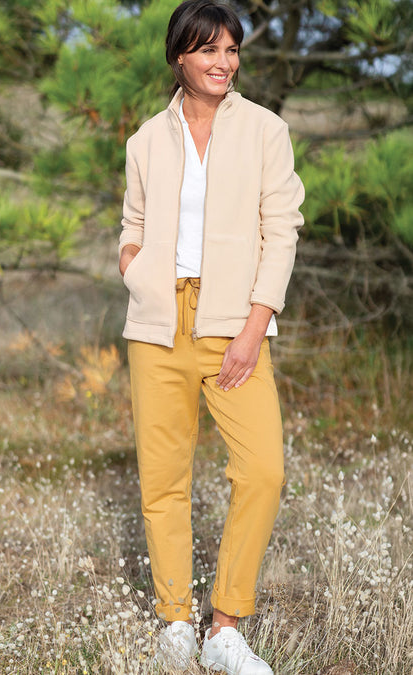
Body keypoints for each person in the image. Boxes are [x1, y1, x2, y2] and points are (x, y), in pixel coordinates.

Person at [119, 1, 304, 672]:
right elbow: (132, 226)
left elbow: (282, 230)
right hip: (158, 324)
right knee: (163, 477)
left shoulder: (265, 130)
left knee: (263, 469)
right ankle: (175, 621)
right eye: (208, 50)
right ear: (180, 56)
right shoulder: (146, 140)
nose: (223, 62)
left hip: (234, 322)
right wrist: (136, 271)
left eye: (231, 50)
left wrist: (255, 326)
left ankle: (224, 628)